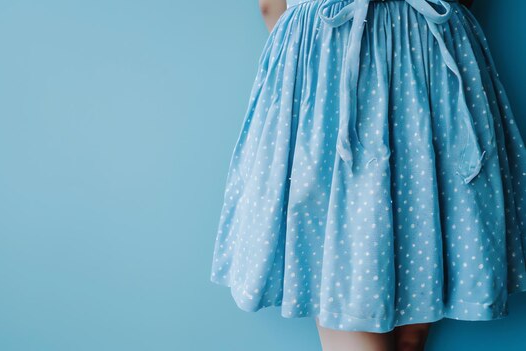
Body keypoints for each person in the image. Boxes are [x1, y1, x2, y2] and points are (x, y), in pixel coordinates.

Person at [210, 0, 526, 350]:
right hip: (430, 66)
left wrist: (308, 58)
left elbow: (271, 6)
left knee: (357, 309)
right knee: (410, 329)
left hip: (334, 59)